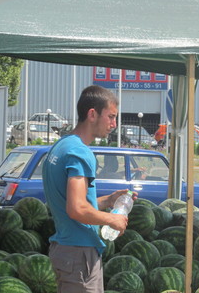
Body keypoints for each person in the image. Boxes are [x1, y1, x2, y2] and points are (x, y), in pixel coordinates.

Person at [42, 85, 138, 293]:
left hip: (64, 251)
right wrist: (112, 219)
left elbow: (70, 201)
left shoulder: (61, 146)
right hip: (79, 256)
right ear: (92, 114)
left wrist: (108, 200)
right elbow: (76, 209)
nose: (114, 124)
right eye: (111, 117)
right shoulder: (80, 153)